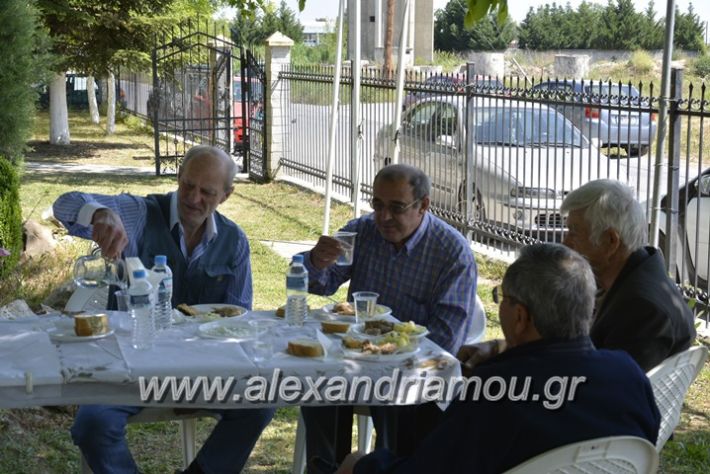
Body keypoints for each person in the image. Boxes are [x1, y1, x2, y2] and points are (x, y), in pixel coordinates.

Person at [337, 243, 661, 474]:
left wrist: (363, 464)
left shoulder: (496, 391)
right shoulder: (629, 375)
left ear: (520, 317)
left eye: (502, 298)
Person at [53, 145, 274, 474]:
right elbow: (64, 204)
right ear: (179, 177)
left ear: (226, 195)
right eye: (188, 185)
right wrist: (99, 214)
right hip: (132, 366)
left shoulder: (234, 241)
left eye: (207, 192)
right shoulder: (141, 213)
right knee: (93, 423)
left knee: (261, 403)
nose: (193, 198)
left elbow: (238, 315)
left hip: (204, 370)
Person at [300, 164, 481, 471]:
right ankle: (327, 468)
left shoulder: (451, 252)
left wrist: (390, 354)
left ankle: (390, 467)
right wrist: (316, 261)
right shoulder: (362, 231)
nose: (383, 217)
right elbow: (321, 284)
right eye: (377, 205)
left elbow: (446, 337)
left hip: (408, 363)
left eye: (396, 207)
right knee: (317, 381)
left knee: (398, 400)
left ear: (423, 205)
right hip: (354, 354)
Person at [459, 179, 697, 374]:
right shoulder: (623, 277)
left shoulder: (643, 308)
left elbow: (589, 383)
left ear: (611, 241)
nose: (565, 242)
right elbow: (564, 349)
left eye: (574, 232)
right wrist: (500, 348)